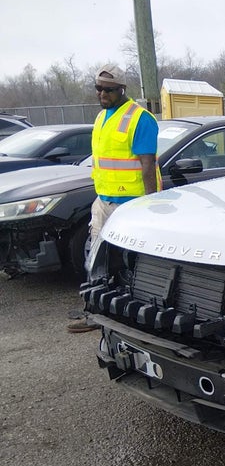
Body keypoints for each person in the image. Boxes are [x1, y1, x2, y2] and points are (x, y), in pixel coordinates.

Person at [68, 64, 160, 333]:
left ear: (122, 89)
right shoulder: (101, 118)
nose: (102, 94)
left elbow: (147, 164)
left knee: (132, 263)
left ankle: (138, 316)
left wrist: (151, 205)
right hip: (103, 202)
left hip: (132, 204)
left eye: (108, 90)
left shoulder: (140, 118)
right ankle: (95, 312)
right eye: (98, 89)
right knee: (96, 261)